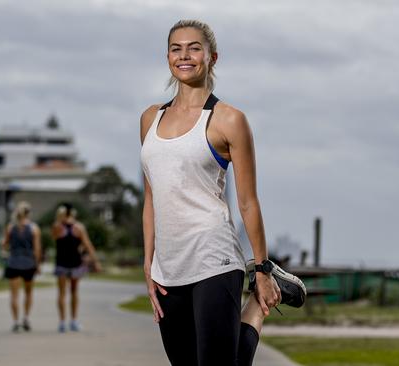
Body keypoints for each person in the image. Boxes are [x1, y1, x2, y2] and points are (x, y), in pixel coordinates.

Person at [140, 19, 307, 365]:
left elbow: (248, 201)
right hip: (168, 266)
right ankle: (256, 309)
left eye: (194, 48)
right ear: (168, 57)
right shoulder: (149, 119)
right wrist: (148, 263)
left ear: (212, 57)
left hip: (213, 256)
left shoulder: (228, 120)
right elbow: (151, 198)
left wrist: (259, 269)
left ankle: (261, 292)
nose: (184, 55)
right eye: (176, 48)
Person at [52, 203, 101, 333]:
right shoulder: (79, 228)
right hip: (75, 263)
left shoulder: (57, 227)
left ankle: (62, 323)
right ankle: (73, 321)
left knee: (62, 293)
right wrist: (96, 261)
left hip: (62, 263)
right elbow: (88, 244)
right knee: (74, 292)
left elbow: (54, 237)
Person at [1, 201, 41, 333]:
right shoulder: (34, 228)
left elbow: (4, 245)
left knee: (14, 295)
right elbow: (37, 249)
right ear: (28, 213)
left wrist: (10, 246)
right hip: (29, 263)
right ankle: (26, 318)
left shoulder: (10, 227)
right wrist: (38, 264)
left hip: (13, 263)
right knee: (28, 293)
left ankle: (15, 321)